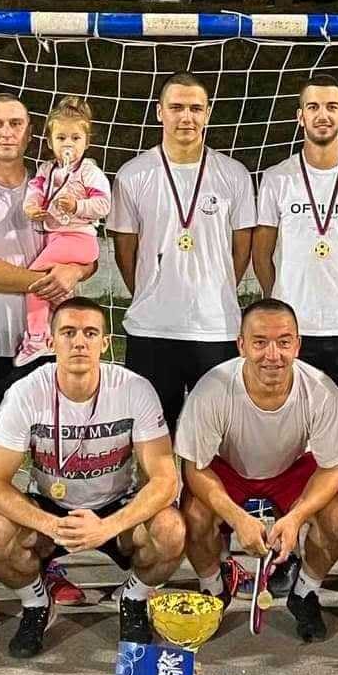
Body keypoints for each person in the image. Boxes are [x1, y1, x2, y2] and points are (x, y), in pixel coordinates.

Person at [0, 92, 97, 620]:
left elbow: (81, 249)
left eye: (16, 123)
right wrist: (41, 282)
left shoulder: (55, 182)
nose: (7, 131)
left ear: (31, 133)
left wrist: (75, 271)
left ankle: (44, 559)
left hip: (50, 343)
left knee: (52, 452)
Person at [0, 297, 185, 658]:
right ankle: (36, 602)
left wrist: (108, 526)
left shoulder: (134, 389)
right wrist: (51, 525)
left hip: (116, 506)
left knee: (171, 530)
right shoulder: (25, 392)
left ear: (105, 343)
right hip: (50, 506)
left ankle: (134, 599)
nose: (79, 342)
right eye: (68, 333)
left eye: (90, 333)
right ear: (50, 341)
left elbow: (166, 480)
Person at [252, 73, 338, 599]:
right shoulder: (278, 178)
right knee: (294, 444)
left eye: (332, 106)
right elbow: (262, 251)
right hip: (298, 336)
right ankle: (290, 548)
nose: (323, 115)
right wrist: (281, 304)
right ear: (300, 117)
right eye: (313, 107)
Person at [175, 299, 338, 642]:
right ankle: (214, 590)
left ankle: (305, 592)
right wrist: (237, 519)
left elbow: (333, 469)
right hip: (229, 469)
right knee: (194, 514)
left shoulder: (322, 391)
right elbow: (195, 468)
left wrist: (296, 517)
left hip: (290, 469)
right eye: (260, 342)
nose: (272, 355)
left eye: (284, 342)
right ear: (241, 345)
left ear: (298, 345)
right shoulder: (213, 389)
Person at [109, 70, 257, 435]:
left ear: (208, 113)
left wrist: (216, 285)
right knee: (151, 438)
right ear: (159, 112)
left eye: (195, 108)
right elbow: (125, 251)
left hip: (216, 327)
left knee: (215, 438)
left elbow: (242, 249)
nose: (186, 117)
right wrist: (150, 289)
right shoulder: (133, 174)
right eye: (176, 107)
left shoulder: (234, 174)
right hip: (152, 329)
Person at [15, 95, 111, 366]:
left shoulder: (89, 172)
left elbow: (104, 204)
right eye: (61, 138)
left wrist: (77, 205)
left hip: (78, 239)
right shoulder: (47, 169)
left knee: (36, 280)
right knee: (58, 291)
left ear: (86, 142)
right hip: (56, 238)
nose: (68, 144)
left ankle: (36, 338)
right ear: (50, 142)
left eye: (75, 138)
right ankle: (64, 333)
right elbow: (34, 191)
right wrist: (31, 206)